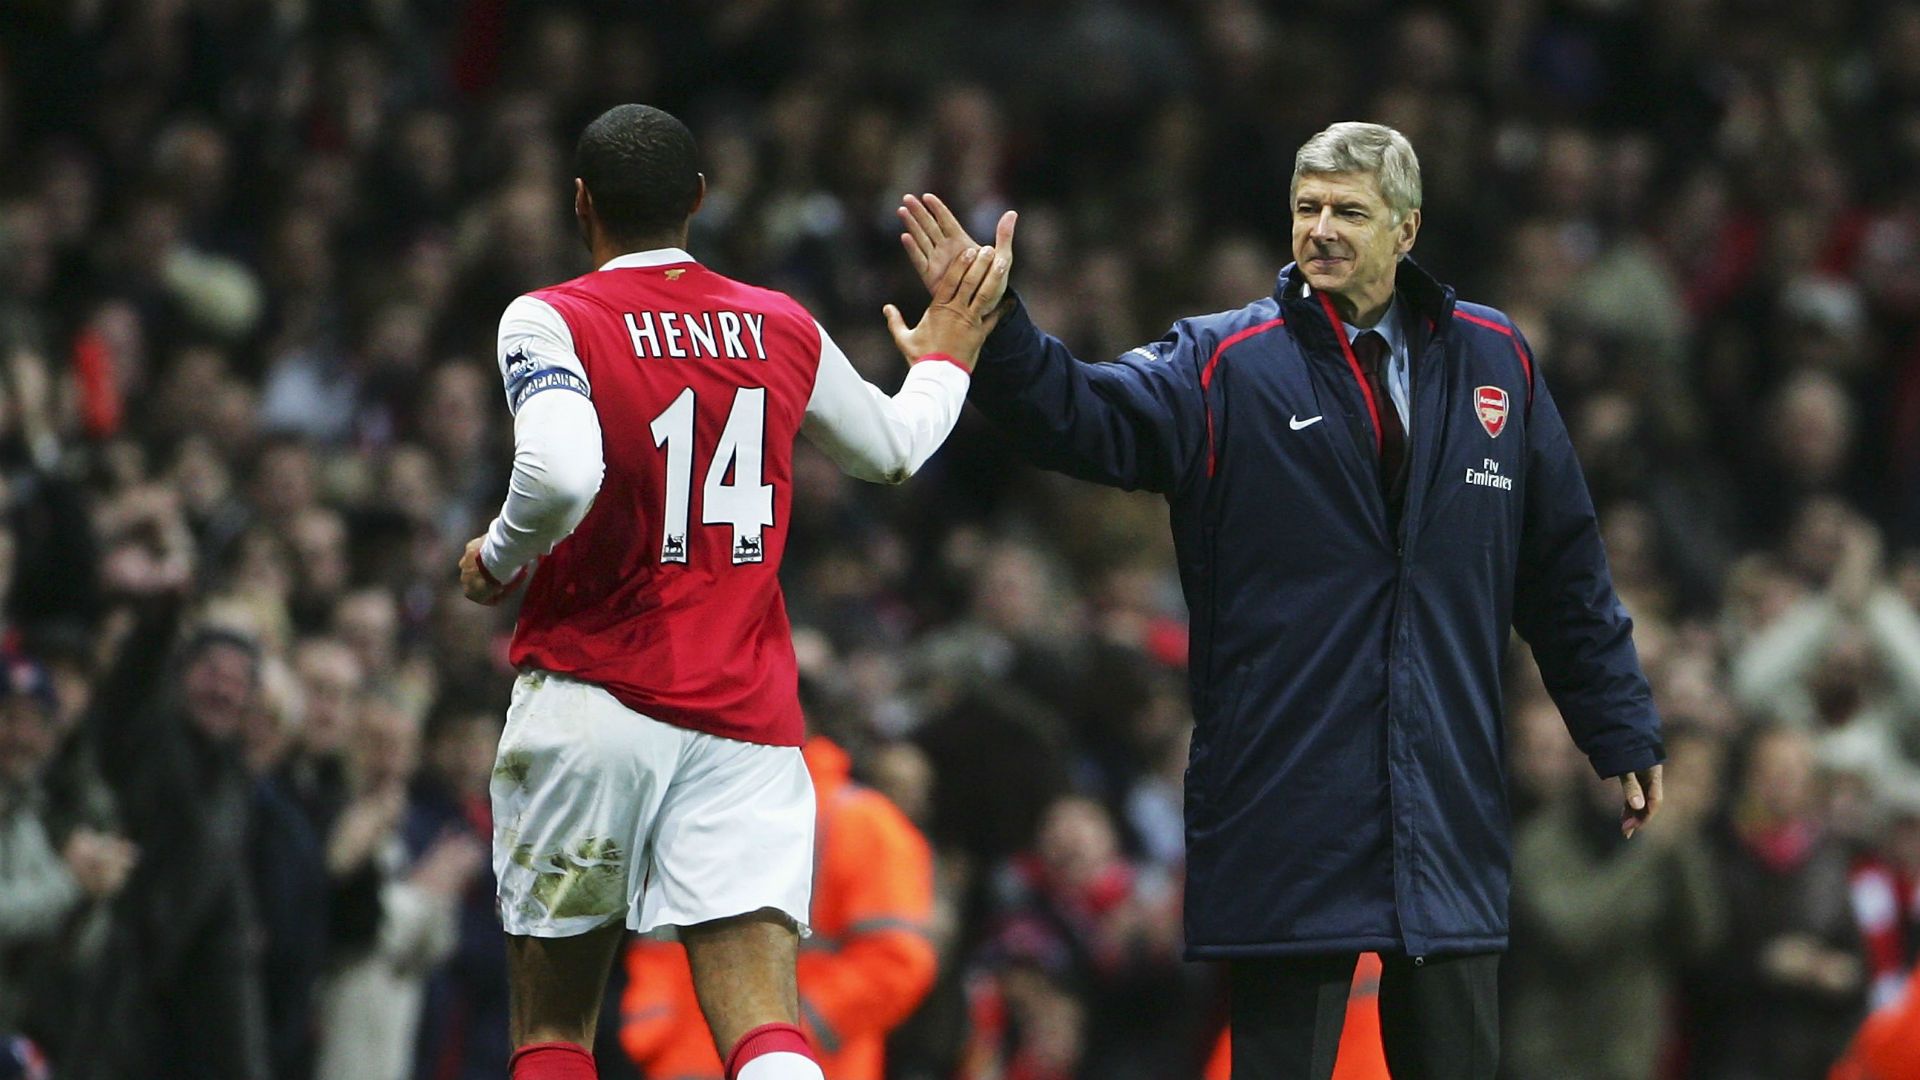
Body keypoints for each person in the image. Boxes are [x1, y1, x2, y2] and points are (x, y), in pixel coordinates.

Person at [897, 121, 1665, 1078]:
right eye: (1308, 208)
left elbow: (1563, 566)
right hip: (1288, 801)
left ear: (1408, 228)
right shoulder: (1224, 363)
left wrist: (1618, 725)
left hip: (1448, 800)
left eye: (1351, 210)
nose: (1324, 230)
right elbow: (1082, 416)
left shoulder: (1494, 358)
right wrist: (999, 328)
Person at [456, 104, 1012, 1080]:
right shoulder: (778, 322)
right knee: (765, 1026)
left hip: (593, 703)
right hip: (745, 729)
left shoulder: (551, 316)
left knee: (553, 1029)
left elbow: (558, 476)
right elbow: (891, 450)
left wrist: (499, 559)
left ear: (580, 204)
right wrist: (948, 356)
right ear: (698, 203)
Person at [616, 733, 937, 1080]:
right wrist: (649, 1026)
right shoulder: (703, 805)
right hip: (691, 1064)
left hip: (799, 1063)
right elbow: (660, 937)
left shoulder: (862, 822)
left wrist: (798, 1029)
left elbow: (897, 961)